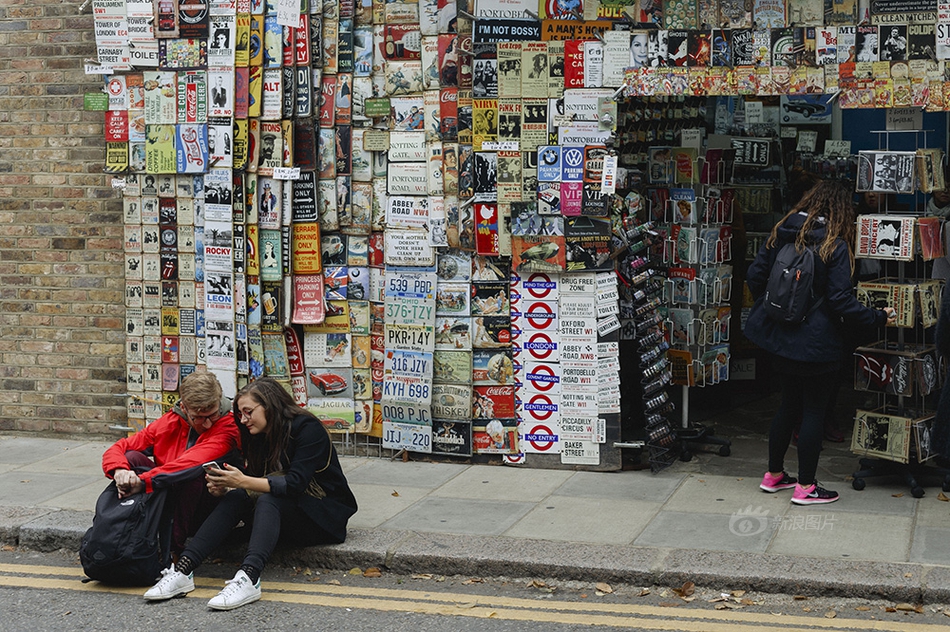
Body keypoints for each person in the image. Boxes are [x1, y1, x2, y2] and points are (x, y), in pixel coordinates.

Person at [143, 378, 358, 610]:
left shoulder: (307, 428)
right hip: (286, 513)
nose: (243, 419)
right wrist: (228, 488)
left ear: (269, 405)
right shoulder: (255, 434)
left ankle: (249, 578)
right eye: (240, 413)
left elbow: (294, 484)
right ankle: (183, 570)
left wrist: (243, 481)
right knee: (237, 497)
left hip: (322, 516)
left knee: (269, 498)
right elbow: (257, 481)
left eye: (248, 412)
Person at [744, 180, 896, 505]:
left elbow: (755, 277)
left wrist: (779, 311)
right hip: (818, 344)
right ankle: (807, 487)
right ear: (842, 210)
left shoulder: (781, 232)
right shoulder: (835, 246)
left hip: (780, 339)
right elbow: (841, 301)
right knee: (814, 410)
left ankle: (773, 475)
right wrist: (878, 317)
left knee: (787, 404)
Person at [101, 371, 240, 556]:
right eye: (198, 417)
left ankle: (175, 553)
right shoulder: (170, 422)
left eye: (212, 415)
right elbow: (120, 447)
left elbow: (191, 463)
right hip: (169, 496)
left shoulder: (228, 426)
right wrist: (119, 470)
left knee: (194, 474)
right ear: (184, 407)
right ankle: (120, 538)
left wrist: (142, 482)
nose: (206, 424)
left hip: (207, 507)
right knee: (131, 457)